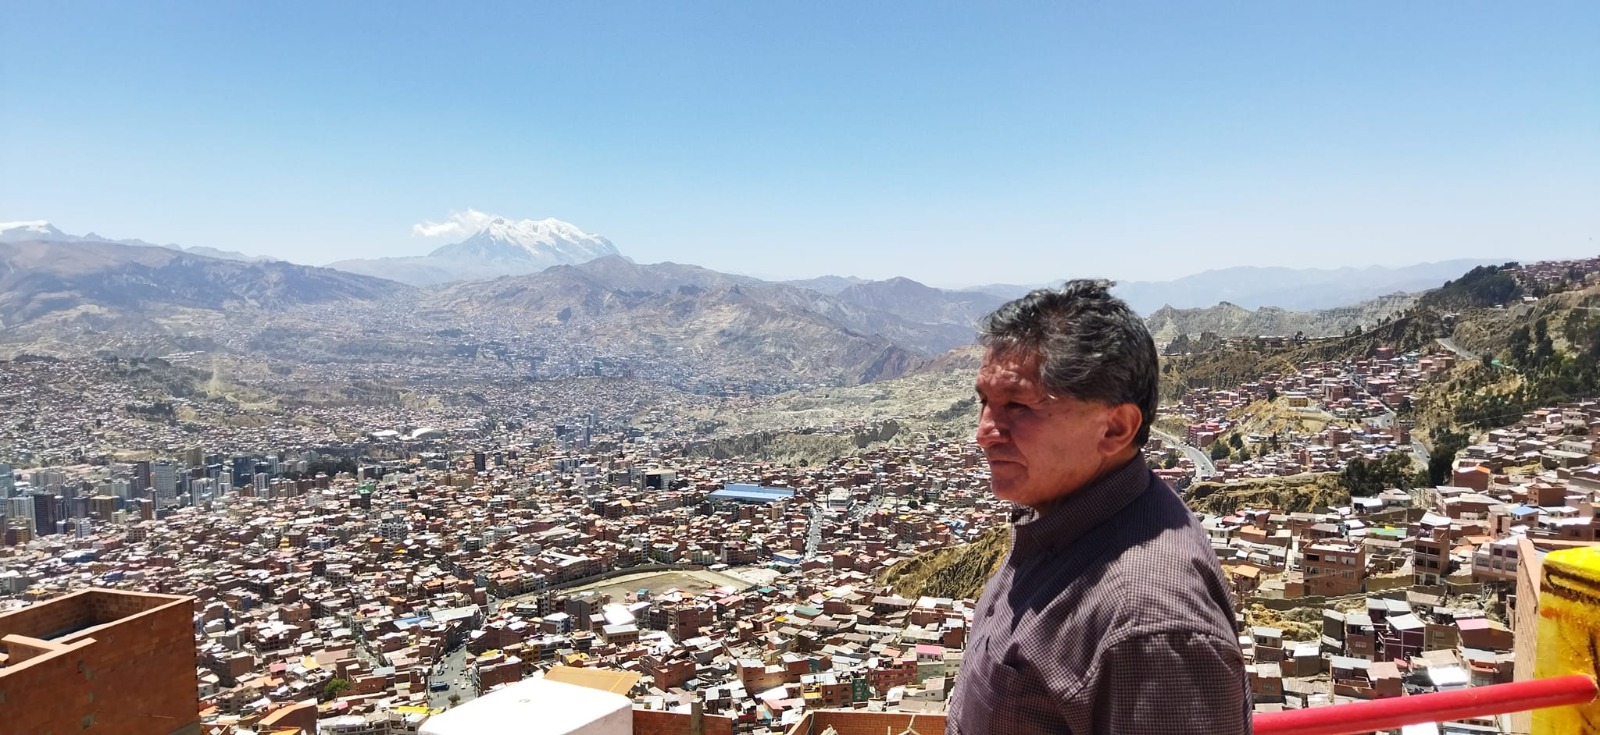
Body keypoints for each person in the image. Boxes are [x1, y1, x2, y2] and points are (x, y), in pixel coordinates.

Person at [946, 280, 1251, 734]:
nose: (984, 432)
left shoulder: (1147, 622)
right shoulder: (1056, 519)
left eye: (1018, 406)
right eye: (985, 402)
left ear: (1115, 428)